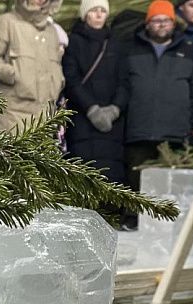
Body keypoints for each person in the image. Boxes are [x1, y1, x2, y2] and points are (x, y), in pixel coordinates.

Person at [118, 0, 193, 194]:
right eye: (156, 20)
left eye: (166, 20)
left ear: (173, 23)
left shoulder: (189, 51)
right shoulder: (131, 50)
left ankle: (169, 223)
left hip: (175, 132)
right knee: (135, 181)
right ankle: (132, 220)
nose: (161, 25)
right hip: (138, 130)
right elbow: (121, 87)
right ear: (148, 23)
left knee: (171, 185)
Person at [61, 0, 127, 188]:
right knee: (84, 178)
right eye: (93, 11)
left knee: (111, 179)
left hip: (112, 124)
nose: (98, 15)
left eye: (102, 11)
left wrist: (115, 109)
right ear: (85, 14)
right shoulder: (73, 42)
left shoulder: (116, 43)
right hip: (82, 120)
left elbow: (125, 81)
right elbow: (70, 79)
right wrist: (91, 108)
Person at [0, 0, 64, 131]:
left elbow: (56, 65)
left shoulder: (52, 31)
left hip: (44, 117)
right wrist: (11, 74)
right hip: (12, 115)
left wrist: (58, 80)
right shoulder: (6, 22)